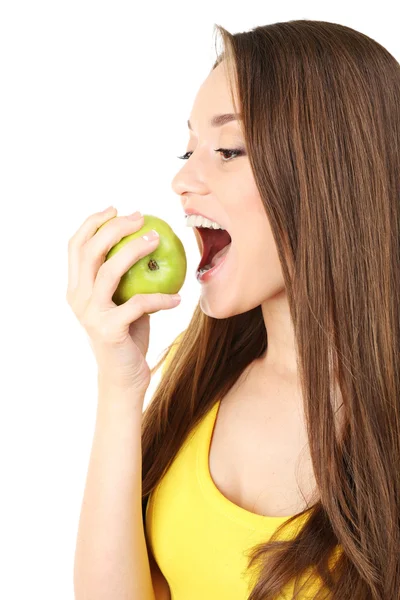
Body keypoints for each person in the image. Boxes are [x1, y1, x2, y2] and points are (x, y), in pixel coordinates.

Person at [69, 20, 400, 600]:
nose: (181, 179)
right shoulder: (201, 380)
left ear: (335, 172)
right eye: (187, 149)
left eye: (228, 150)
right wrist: (120, 385)